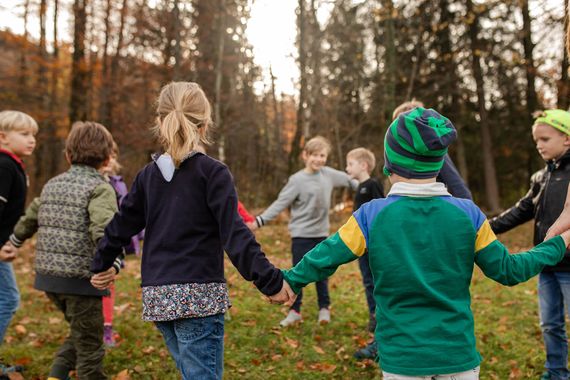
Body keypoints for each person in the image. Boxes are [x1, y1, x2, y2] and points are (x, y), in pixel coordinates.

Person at [278, 107, 570, 379]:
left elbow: (326, 255)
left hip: (403, 361)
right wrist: (559, 242)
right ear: (440, 162)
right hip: (458, 359)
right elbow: (508, 270)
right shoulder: (469, 214)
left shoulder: (370, 216)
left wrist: (290, 280)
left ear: (390, 163)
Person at [90, 81, 293, 380]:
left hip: (159, 296)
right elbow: (234, 234)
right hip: (198, 296)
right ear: (205, 124)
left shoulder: (149, 175)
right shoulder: (212, 172)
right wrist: (271, 281)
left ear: (160, 121)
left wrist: (101, 262)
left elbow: (121, 225)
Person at [5, 121, 120, 380]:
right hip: (80, 279)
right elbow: (103, 231)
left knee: (81, 331)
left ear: (68, 155)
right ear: (107, 160)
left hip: (48, 278)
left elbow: (30, 218)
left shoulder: (52, 184)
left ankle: (57, 374)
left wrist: (13, 241)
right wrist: (112, 264)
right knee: (90, 345)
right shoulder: (100, 188)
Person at [489, 109, 570, 380]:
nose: (539, 145)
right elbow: (520, 210)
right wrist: (484, 228)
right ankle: (556, 372)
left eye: (545, 139)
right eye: (536, 140)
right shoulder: (540, 178)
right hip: (546, 264)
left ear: (567, 139)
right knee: (550, 324)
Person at [251, 135, 357, 327]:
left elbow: (352, 181)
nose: (318, 159)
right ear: (305, 156)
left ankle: (324, 308)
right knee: (299, 273)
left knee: (322, 273)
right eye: (314, 155)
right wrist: (259, 221)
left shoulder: (329, 174)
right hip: (300, 235)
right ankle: (295, 310)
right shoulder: (297, 180)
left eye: (322, 156)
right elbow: (280, 203)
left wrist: (369, 189)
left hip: (321, 234)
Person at [0, 111, 37, 376]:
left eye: (33, 135)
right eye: (24, 134)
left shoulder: (12, 164)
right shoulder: (3, 166)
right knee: (8, 299)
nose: (32, 140)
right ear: (3, 137)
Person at [98, 144, 143, 347]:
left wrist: (138, 235)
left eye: (113, 154)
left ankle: (107, 326)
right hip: (96, 244)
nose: (111, 160)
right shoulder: (92, 182)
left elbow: (129, 210)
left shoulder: (118, 183)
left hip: (115, 245)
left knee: (109, 284)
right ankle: (96, 326)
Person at [392, 100, 472, 200]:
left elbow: (456, 184)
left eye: (402, 124)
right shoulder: (400, 155)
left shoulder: (433, 151)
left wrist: (469, 211)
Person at [345, 147, 384, 335]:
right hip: (361, 244)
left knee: (375, 280)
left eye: (350, 164)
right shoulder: (359, 187)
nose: (347, 168)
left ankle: (380, 316)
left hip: (372, 245)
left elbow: (380, 211)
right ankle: (373, 314)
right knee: (367, 280)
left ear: (363, 165)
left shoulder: (373, 184)